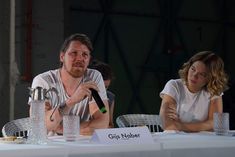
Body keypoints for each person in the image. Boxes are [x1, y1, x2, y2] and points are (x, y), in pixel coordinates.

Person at [28, 33, 109, 135]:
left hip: (82, 145)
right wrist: (71, 101)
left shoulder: (94, 77)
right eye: (74, 53)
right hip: (50, 146)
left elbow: (102, 124)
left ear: (89, 59)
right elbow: (39, 125)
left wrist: (64, 130)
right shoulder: (43, 81)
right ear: (62, 57)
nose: (79, 59)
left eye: (85, 54)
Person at [159, 51, 228, 132]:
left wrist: (180, 126)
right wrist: (204, 126)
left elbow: (215, 124)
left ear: (211, 78)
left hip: (203, 141)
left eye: (202, 74)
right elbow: (167, 124)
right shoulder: (174, 85)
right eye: (193, 69)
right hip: (175, 140)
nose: (194, 75)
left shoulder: (213, 90)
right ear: (188, 67)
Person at [89, 59, 115, 128]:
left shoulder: (109, 97)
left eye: (106, 87)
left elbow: (110, 124)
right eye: (100, 88)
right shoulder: (77, 96)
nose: (102, 92)